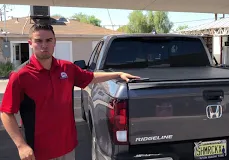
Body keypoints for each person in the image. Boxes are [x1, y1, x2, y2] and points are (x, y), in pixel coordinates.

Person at [0, 24, 140, 160]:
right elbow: (6, 113)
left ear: (55, 42)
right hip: (38, 153)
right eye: (38, 41)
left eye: (49, 40)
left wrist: (118, 74)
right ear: (30, 43)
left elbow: (91, 77)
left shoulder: (66, 68)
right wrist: (21, 146)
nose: (44, 45)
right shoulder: (21, 76)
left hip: (68, 148)